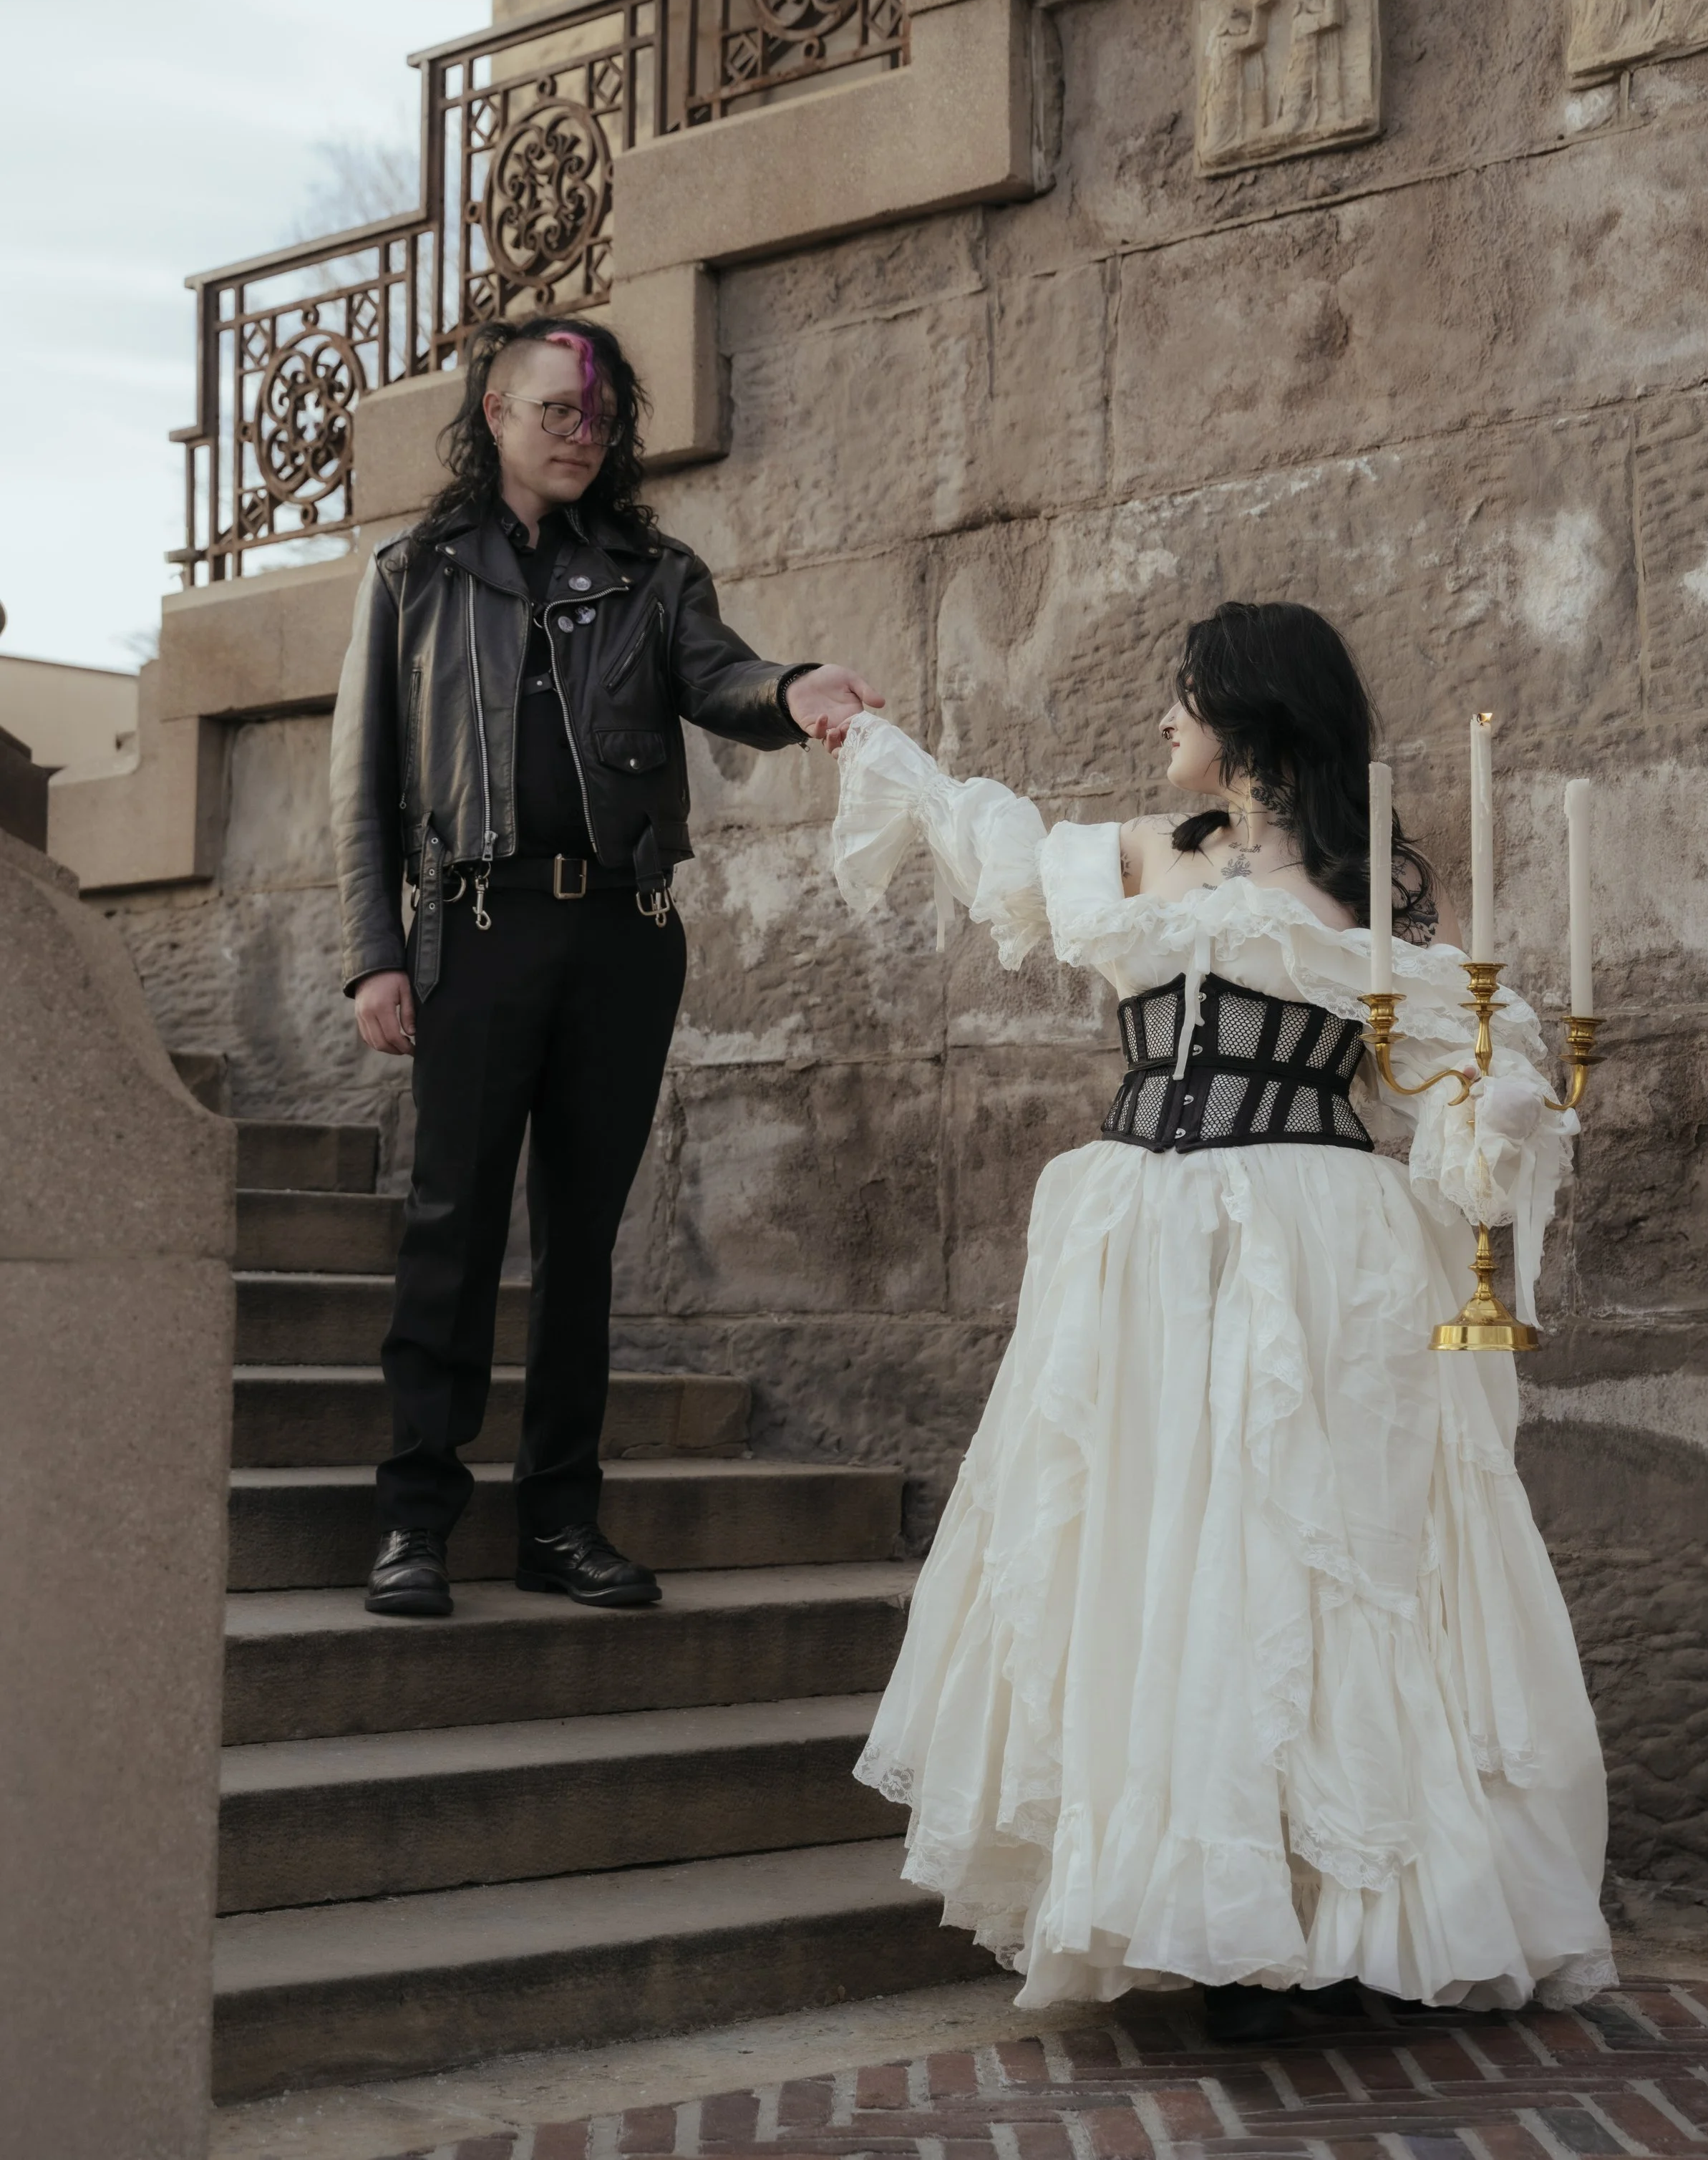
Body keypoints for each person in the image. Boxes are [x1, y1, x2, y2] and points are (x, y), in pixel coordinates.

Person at [827, 601, 1614, 2031]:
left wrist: (1499, 1111)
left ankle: (1332, 1917)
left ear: (1245, 715)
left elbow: (1452, 1099)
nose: (1162, 725)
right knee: (1151, 1554)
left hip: (1308, 1246)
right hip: (1135, 1236)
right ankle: (1187, 1913)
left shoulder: (1366, 905)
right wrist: (869, 737)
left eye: (1182, 700)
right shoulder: (1133, 854)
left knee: (1296, 1560)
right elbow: (975, 837)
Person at [331, 314, 880, 1619]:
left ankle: (560, 1523)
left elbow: (721, 674)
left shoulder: (653, 572)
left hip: (620, 939)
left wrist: (795, 688)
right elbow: (363, 791)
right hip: (471, 929)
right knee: (451, 1226)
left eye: (600, 414)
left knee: (582, 1240)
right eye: (556, 410)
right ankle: (414, 1520)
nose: (585, 433)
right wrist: (373, 957)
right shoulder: (414, 574)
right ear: (495, 419)